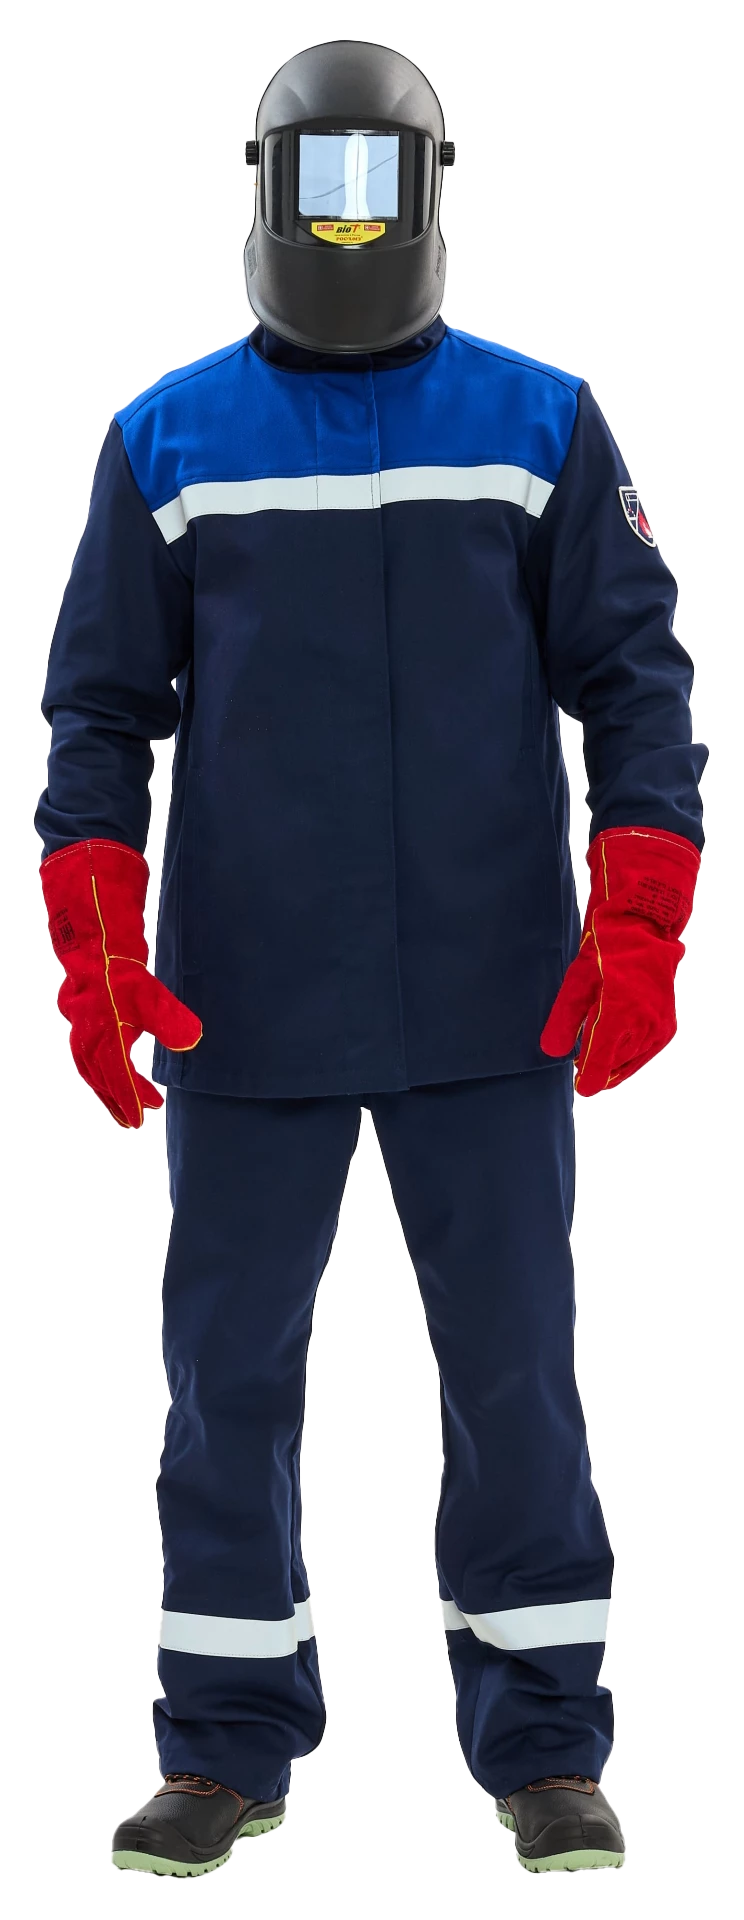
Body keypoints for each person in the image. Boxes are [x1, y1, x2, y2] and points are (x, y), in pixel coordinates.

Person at [35, 38, 707, 1878]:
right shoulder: (167, 438)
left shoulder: (540, 422)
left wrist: (640, 915)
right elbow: (98, 709)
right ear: (261, 184)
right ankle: (224, 1741)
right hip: (241, 998)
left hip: (497, 994)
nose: (347, 223)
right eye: (316, 184)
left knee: (515, 1374)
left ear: (430, 186)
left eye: (375, 184)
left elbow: (635, 682)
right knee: (227, 1379)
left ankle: (544, 1744)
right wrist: (95, 939)